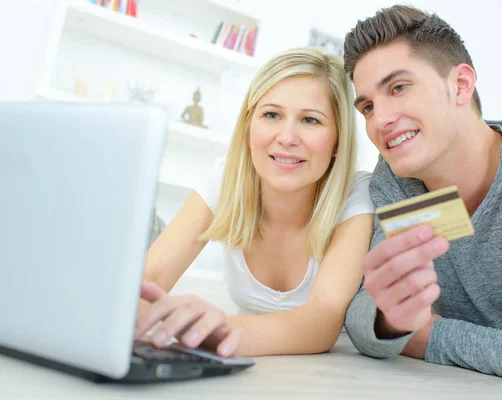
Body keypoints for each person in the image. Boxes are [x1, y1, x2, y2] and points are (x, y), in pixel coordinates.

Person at [342, 5, 502, 399]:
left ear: (461, 85)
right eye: (368, 107)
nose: (379, 121)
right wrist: (392, 321)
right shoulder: (398, 179)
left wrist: (432, 336)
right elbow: (367, 323)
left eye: (398, 88)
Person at [135, 47, 374, 358]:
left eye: (310, 120)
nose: (287, 137)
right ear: (249, 126)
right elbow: (150, 279)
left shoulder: (356, 196)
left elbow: (322, 320)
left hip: (335, 377)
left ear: (337, 141)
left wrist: (225, 329)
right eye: (271, 114)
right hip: (248, 363)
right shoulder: (226, 178)